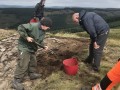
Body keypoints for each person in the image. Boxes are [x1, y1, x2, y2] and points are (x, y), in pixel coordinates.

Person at [12, 17, 52, 90]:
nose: (48, 29)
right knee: (23, 63)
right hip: (24, 47)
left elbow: (39, 41)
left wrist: (44, 46)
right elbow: (20, 27)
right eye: (48, 27)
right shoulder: (33, 26)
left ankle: (32, 74)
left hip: (32, 48)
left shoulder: (43, 31)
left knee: (33, 61)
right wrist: (26, 37)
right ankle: (16, 80)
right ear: (44, 25)